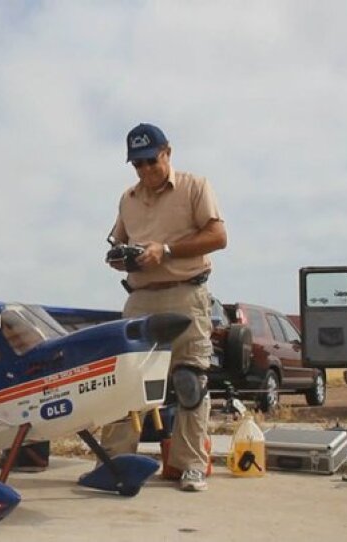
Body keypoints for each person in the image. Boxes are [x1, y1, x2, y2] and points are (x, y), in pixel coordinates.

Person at [99, 123, 227, 492]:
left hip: (185, 292)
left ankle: (190, 465)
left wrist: (165, 250)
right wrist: (121, 259)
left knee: (190, 381)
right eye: (137, 164)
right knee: (126, 381)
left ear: (167, 152)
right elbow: (119, 241)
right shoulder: (128, 198)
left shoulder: (195, 186)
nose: (145, 171)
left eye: (151, 161)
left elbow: (218, 236)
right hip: (140, 297)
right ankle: (115, 462)